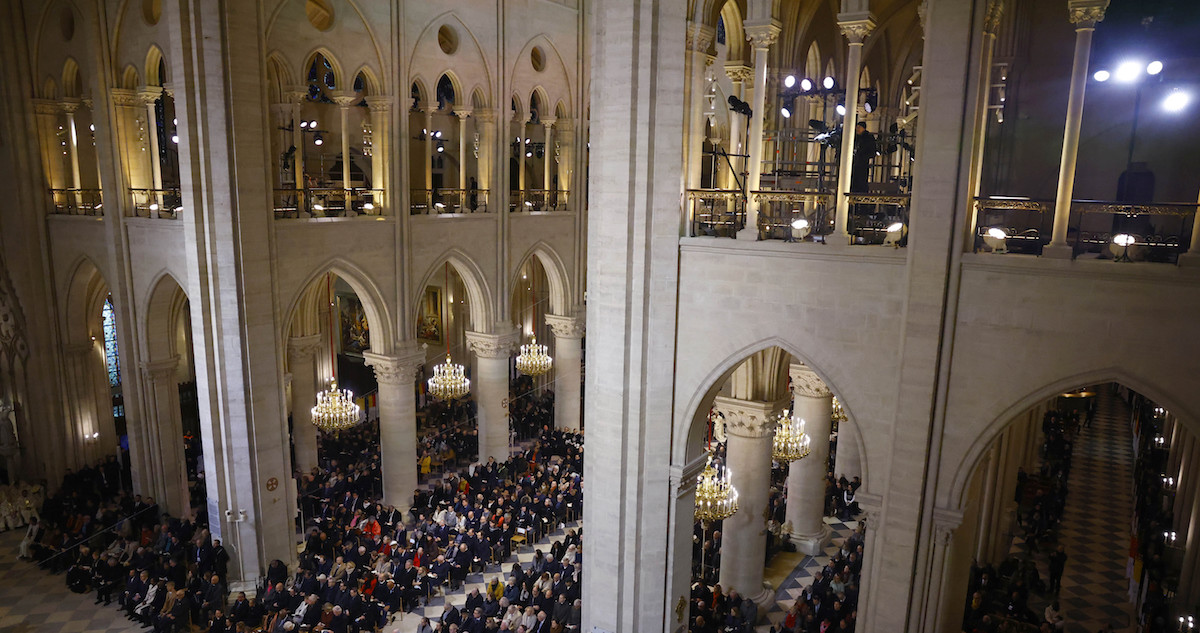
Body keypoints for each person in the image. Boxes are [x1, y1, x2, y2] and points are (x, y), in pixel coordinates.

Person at [850, 122, 876, 194]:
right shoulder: (855, 137)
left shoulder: (868, 138)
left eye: (859, 127)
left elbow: (872, 152)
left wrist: (862, 154)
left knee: (861, 183)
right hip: (854, 163)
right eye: (856, 127)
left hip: (862, 164)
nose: (857, 129)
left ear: (863, 128)